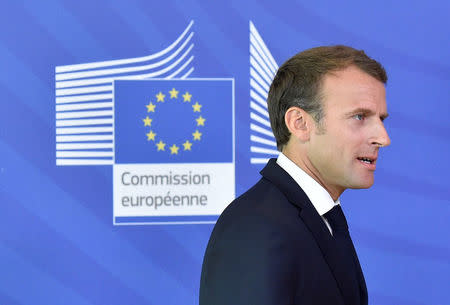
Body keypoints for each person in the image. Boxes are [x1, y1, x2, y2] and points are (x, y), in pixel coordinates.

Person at [199, 45, 391, 305]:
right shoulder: (256, 228)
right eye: (359, 116)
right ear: (299, 124)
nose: (383, 138)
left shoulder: (320, 217)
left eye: (381, 119)